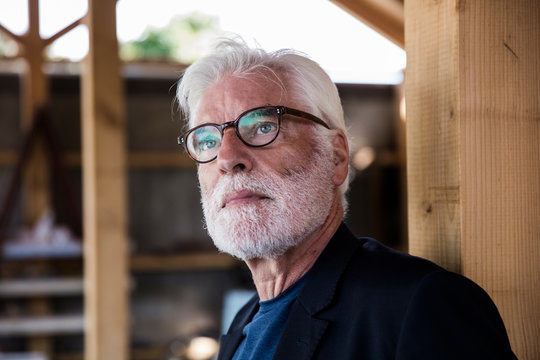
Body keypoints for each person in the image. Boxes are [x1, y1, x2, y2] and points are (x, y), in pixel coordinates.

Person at [175, 38, 516, 360]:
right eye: (207, 141)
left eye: (263, 126)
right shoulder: (243, 322)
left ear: (336, 157)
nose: (227, 157)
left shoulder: (424, 304)